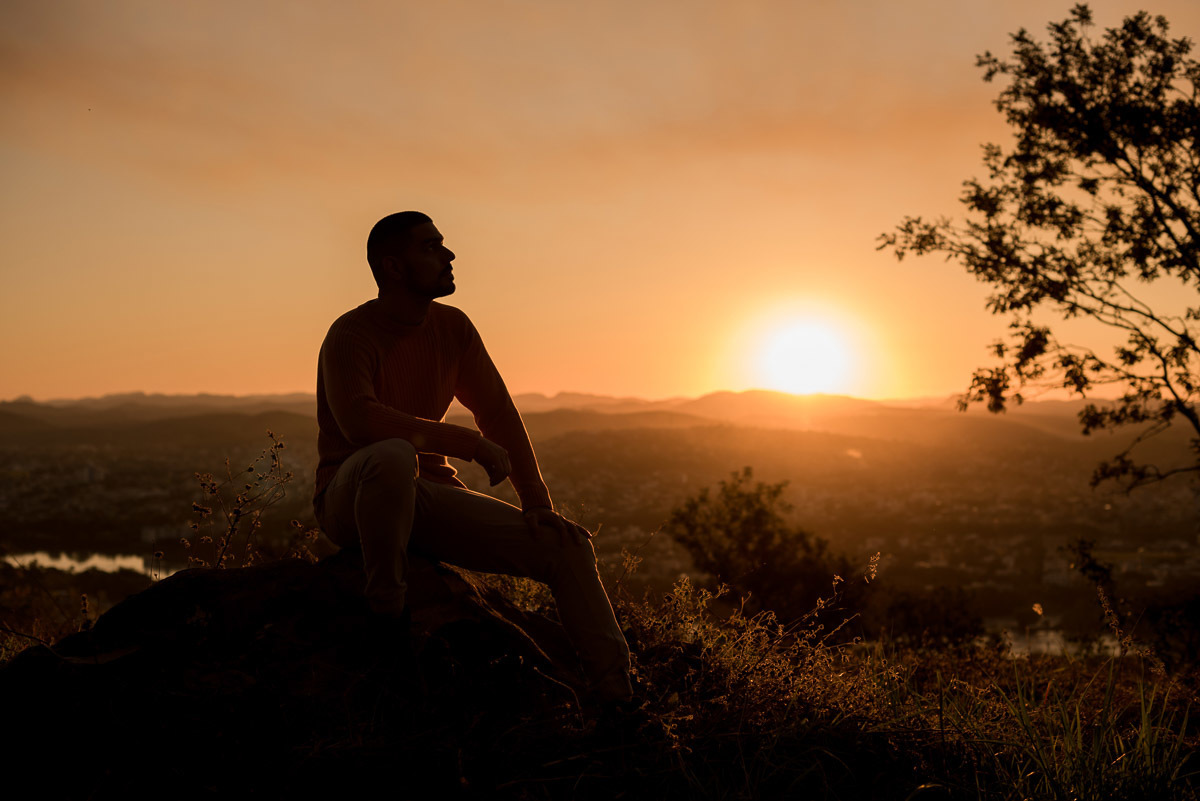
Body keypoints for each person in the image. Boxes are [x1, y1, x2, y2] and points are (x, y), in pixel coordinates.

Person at [312, 211, 632, 704]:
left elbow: (498, 412)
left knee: (567, 549)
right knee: (393, 456)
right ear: (394, 268)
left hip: (426, 499)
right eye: (431, 247)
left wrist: (537, 503)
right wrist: (468, 444)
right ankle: (386, 615)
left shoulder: (452, 328)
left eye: (443, 244)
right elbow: (361, 423)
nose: (449, 255)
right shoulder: (351, 335)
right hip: (353, 499)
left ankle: (617, 699)